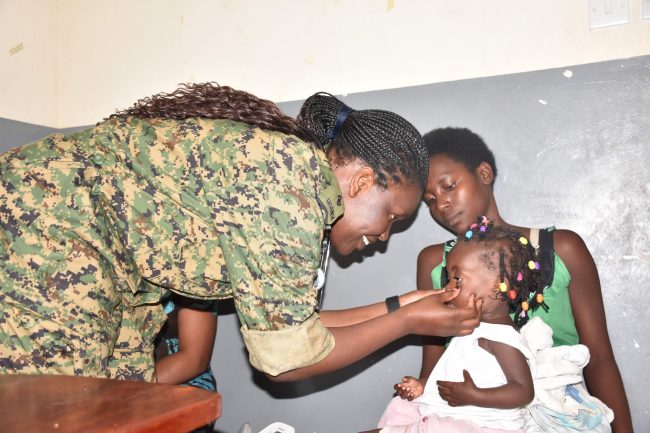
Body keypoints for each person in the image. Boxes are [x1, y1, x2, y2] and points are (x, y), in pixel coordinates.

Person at [0, 83, 482, 383]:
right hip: (49, 232)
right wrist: (406, 324)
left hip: (112, 272)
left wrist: (406, 305)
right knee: (59, 407)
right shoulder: (288, 185)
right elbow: (289, 360)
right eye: (392, 217)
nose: (383, 235)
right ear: (360, 182)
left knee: (120, 393)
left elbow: (300, 328)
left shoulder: (299, 189)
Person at [415, 127, 633, 432]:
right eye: (430, 200)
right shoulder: (434, 265)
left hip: (560, 417)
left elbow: (599, 358)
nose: (441, 205)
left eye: (449, 186)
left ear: (484, 173)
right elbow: (435, 369)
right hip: (473, 420)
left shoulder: (561, 249)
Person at [362, 221, 538, 433]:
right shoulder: (470, 328)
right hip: (454, 418)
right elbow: (453, 376)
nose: (447, 288)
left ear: (498, 286)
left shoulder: (500, 337)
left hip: (482, 426)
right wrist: (425, 386)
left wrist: (474, 395)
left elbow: (523, 391)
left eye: (457, 279)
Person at [154, 294, 218, 433]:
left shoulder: (193, 278)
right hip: (113, 381)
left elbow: (193, 360)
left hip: (181, 384)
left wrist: (123, 389)